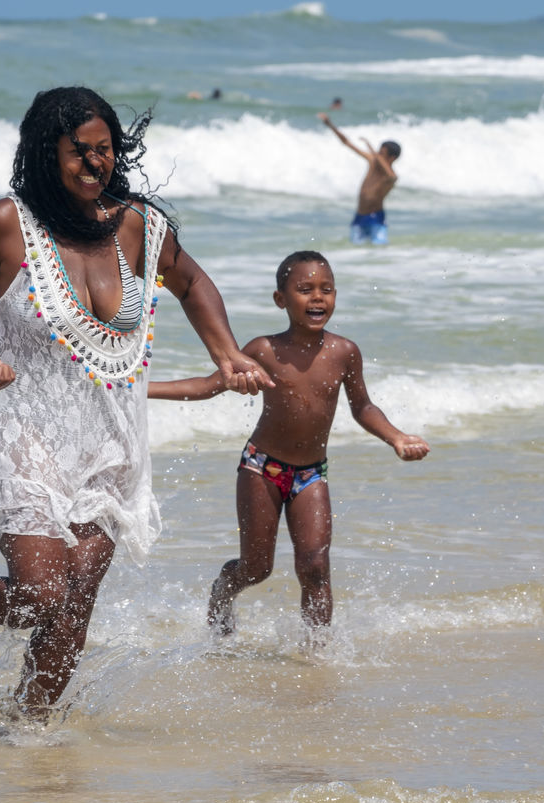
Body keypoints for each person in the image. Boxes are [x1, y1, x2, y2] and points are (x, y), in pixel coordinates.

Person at [0, 87, 271, 718]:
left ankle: (28, 734)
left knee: (72, 610)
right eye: (79, 152)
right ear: (47, 153)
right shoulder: (6, 225)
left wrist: (226, 353)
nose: (96, 163)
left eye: (105, 149)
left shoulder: (137, 225)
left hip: (110, 443)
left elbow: (192, 281)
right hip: (29, 436)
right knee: (40, 594)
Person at [148, 250, 428, 638]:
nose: (318, 297)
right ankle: (222, 593)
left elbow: (363, 407)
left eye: (327, 289)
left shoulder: (344, 352)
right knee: (256, 568)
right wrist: (141, 389)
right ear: (281, 299)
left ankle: (317, 653)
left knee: (315, 566)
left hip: (312, 474)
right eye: (305, 289)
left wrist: (395, 436)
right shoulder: (264, 350)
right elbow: (208, 386)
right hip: (261, 468)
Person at [318, 114, 399, 245]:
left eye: (381, 154)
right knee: (355, 249)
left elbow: (391, 177)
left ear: (392, 158)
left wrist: (373, 152)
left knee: (380, 248)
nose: (377, 155)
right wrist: (330, 125)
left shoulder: (390, 176)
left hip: (376, 218)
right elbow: (346, 142)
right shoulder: (372, 161)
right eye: (378, 152)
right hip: (359, 216)